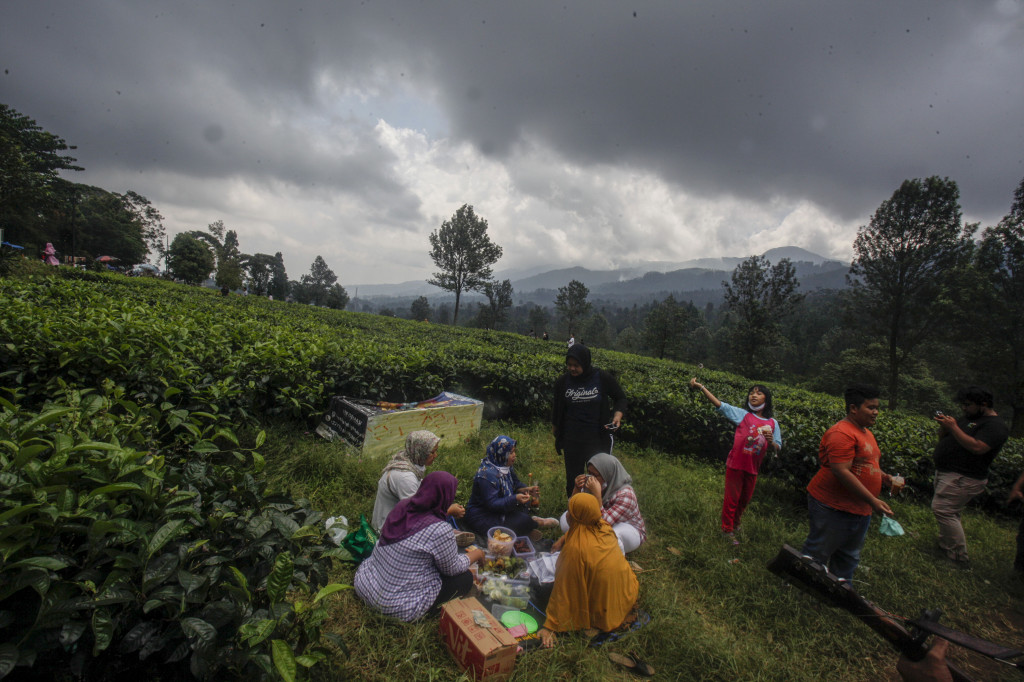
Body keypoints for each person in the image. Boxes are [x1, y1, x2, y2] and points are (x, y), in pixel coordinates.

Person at [354, 472, 484, 622]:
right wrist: (478, 554)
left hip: (366, 585)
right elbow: (452, 569)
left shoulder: (403, 507)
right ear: (446, 497)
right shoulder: (440, 530)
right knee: (465, 578)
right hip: (394, 606)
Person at [801, 384, 897, 581]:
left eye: (877, 407)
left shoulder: (865, 432)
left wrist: (884, 478)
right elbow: (841, 471)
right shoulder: (841, 433)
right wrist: (873, 500)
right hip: (833, 505)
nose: (876, 412)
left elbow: (866, 463)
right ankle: (801, 585)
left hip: (859, 508)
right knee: (819, 550)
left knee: (848, 555)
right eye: (871, 407)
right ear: (854, 408)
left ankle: (840, 591)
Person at [538, 493, 639, 648]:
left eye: (570, 513)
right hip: (624, 595)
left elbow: (565, 588)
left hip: (603, 612)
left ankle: (594, 623)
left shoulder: (576, 549)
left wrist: (550, 625)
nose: (568, 517)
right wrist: (564, 538)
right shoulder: (604, 527)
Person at [690, 378, 782, 544]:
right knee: (732, 498)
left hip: (753, 467)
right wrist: (702, 387)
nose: (753, 395)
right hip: (736, 464)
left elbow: (777, 447)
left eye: (759, 393)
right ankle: (727, 530)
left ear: (766, 400)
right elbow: (720, 405)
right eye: (752, 393)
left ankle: (736, 523)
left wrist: (771, 442)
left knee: (744, 499)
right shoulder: (744, 415)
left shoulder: (772, 423)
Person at [930, 386, 1009, 568]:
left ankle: (958, 558)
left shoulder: (995, 426)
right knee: (950, 511)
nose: (964, 409)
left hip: (964, 476)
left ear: (984, 404)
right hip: (948, 472)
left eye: (968, 405)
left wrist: (954, 427)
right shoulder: (971, 418)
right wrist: (945, 427)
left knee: (944, 510)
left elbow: (978, 447)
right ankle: (946, 545)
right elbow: (948, 437)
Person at [551, 344, 628, 498]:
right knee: (574, 478)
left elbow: (620, 397)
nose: (572, 369)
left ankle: (597, 508)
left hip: (596, 439)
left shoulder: (601, 378)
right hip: (572, 439)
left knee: (598, 478)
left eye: (576, 365)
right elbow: (557, 408)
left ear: (585, 363)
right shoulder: (563, 382)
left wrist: (617, 415)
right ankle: (574, 508)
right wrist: (556, 430)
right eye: (569, 365)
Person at [370, 431, 463, 532]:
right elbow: (415, 514)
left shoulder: (412, 462)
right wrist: (448, 510)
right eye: (432, 452)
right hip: (389, 529)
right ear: (420, 452)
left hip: (400, 519)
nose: (435, 455)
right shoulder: (405, 477)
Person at [554, 453, 646, 554]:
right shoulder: (594, 483)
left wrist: (597, 495)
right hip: (600, 523)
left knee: (607, 537)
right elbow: (575, 510)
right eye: (589, 473)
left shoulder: (627, 495)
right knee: (564, 521)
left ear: (607, 475)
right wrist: (576, 489)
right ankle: (586, 542)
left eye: (595, 475)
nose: (590, 477)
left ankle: (614, 562)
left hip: (627, 529)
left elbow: (603, 523)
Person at [463, 435, 547, 540]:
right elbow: (492, 504)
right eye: (511, 453)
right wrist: (514, 499)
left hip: (501, 508)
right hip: (484, 515)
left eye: (514, 452)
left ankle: (527, 525)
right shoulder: (486, 475)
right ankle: (533, 524)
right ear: (501, 453)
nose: (514, 455)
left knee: (526, 503)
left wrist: (527, 489)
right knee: (523, 520)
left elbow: (515, 484)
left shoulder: (504, 465)